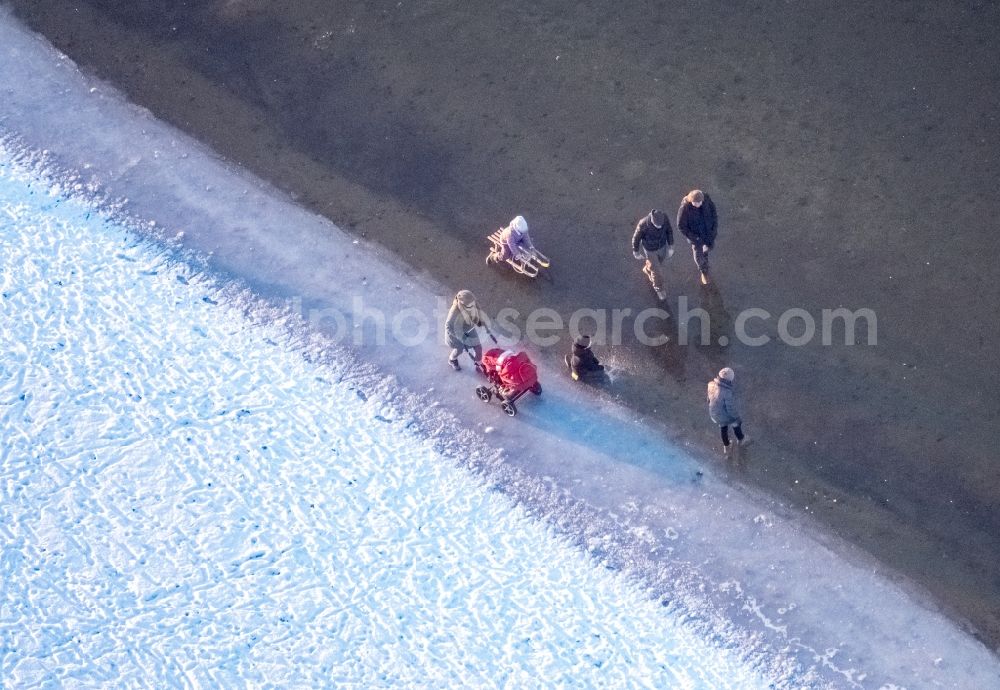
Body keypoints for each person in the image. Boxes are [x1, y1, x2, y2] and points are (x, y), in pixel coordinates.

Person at [677, 189, 718, 285]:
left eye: (700, 202)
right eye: (695, 203)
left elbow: (714, 214)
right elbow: (681, 226)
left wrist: (713, 232)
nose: (698, 204)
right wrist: (697, 239)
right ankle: (703, 271)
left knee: (706, 250)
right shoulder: (685, 208)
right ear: (691, 201)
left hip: (708, 233)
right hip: (696, 237)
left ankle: (705, 261)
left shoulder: (706, 200)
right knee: (699, 256)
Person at [631, 209, 674, 300]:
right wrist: (636, 251)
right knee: (657, 272)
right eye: (657, 225)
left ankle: (647, 269)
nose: (659, 227)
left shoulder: (664, 218)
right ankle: (659, 289)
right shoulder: (643, 224)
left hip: (662, 246)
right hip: (650, 250)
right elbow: (636, 238)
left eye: (660, 225)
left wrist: (671, 246)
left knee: (659, 263)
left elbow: (669, 230)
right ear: (652, 221)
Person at [707, 367, 747, 454]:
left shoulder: (710, 384)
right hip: (723, 415)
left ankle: (727, 446)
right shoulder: (727, 392)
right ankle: (741, 438)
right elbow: (730, 408)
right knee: (736, 423)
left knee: (723, 428)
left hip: (714, 413)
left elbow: (709, 399)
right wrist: (737, 417)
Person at [444, 290, 486, 371]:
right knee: (459, 349)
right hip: (456, 333)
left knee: (478, 347)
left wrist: (479, 320)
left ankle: (478, 364)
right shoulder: (454, 312)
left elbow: (477, 310)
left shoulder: (472, 302)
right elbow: (448, 327)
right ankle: (452, 359)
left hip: (468, 328)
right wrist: (461, 337)